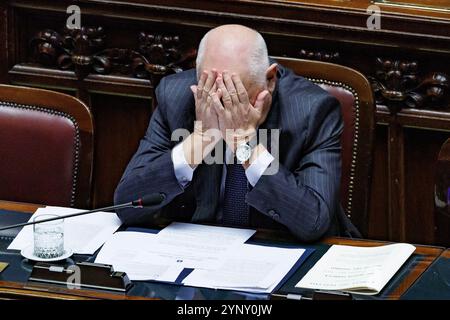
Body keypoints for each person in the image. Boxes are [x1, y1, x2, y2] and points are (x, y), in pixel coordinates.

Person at [114, 24, 360, 242]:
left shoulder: (312, 110)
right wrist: (202, 137)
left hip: (274, 251)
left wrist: (244, 143)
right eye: (215, 97)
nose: (224, 111)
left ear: (270, 80)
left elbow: (313, 222)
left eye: (238, 99)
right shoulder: (177, 97)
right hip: (195, 253)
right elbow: (127, 204)